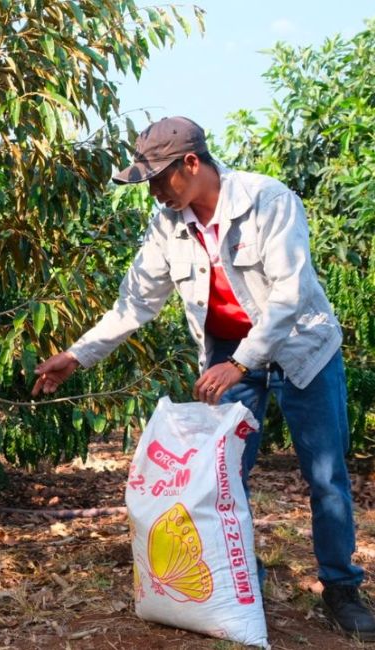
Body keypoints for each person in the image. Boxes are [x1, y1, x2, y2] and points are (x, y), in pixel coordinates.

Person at [31, 116, 374, 640]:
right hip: (228, 354)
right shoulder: (166, 225)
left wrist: (241, 362)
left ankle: (342, 588)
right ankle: (241, 580)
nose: (153, 191)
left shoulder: (268, 200)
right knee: (224, 474)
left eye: (157, 177)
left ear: (191, 163)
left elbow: (289, 293)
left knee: (325, 474)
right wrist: (77, 356)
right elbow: (135, 302)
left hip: (303, 347)